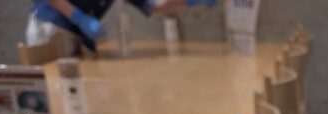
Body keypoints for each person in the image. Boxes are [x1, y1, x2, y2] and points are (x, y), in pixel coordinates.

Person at [27, 0, 216, 54]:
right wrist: (79, 18)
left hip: (79, 33)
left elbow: (153, 5)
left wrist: (190, 1)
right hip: (52, 28)